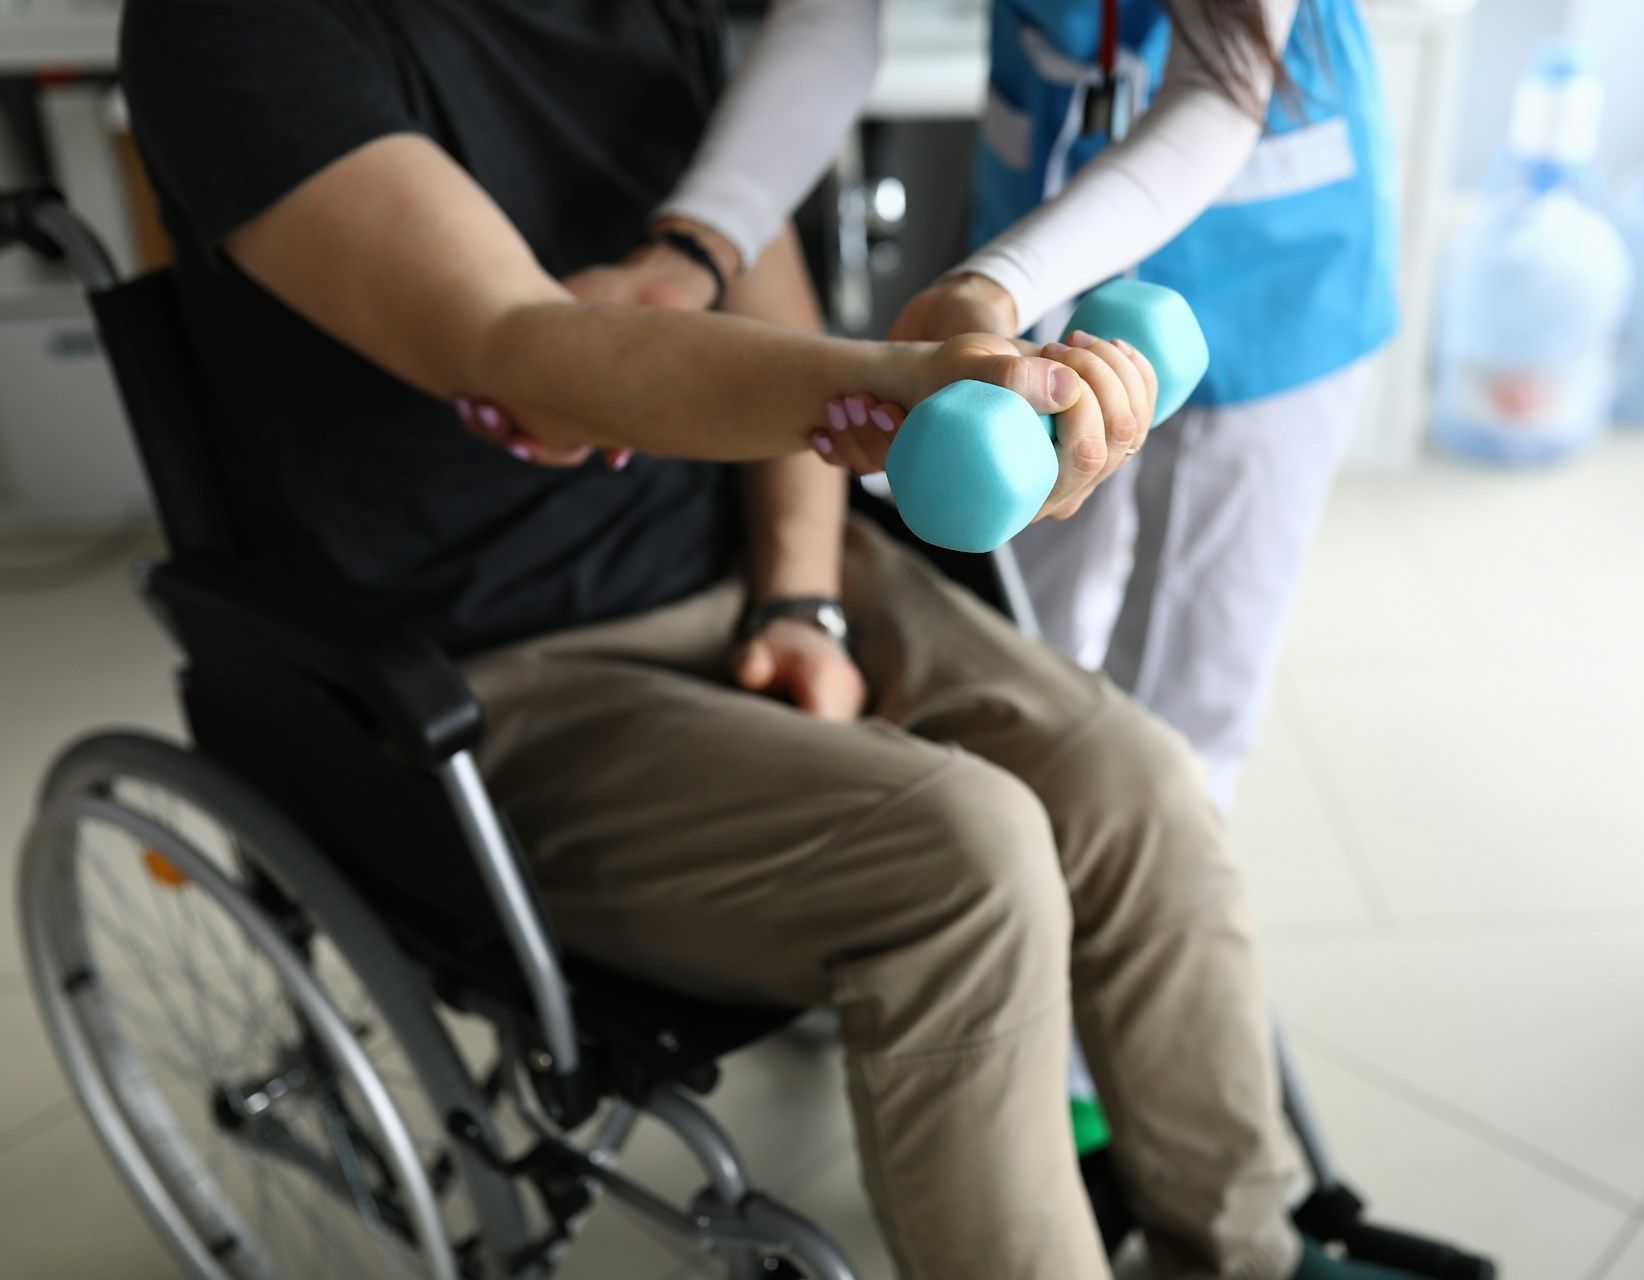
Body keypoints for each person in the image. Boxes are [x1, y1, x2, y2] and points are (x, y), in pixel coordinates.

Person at [112, 2, 1359, 1277]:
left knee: (1134, 781)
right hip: (492, 677)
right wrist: (892, 387)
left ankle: (1251, 1256)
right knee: (968, 857)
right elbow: (518, 350)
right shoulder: (231, 34)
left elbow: (760, 272)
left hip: (759, 563)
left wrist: (799, 600)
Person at [646, 0, 1396, 806]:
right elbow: (827, 20)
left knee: (1188, 694)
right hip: (1030, 255)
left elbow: (1215, 89)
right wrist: (699, 244)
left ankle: (1147, 896)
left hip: (1263, 273)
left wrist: (994, 284)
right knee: (1027, 652)